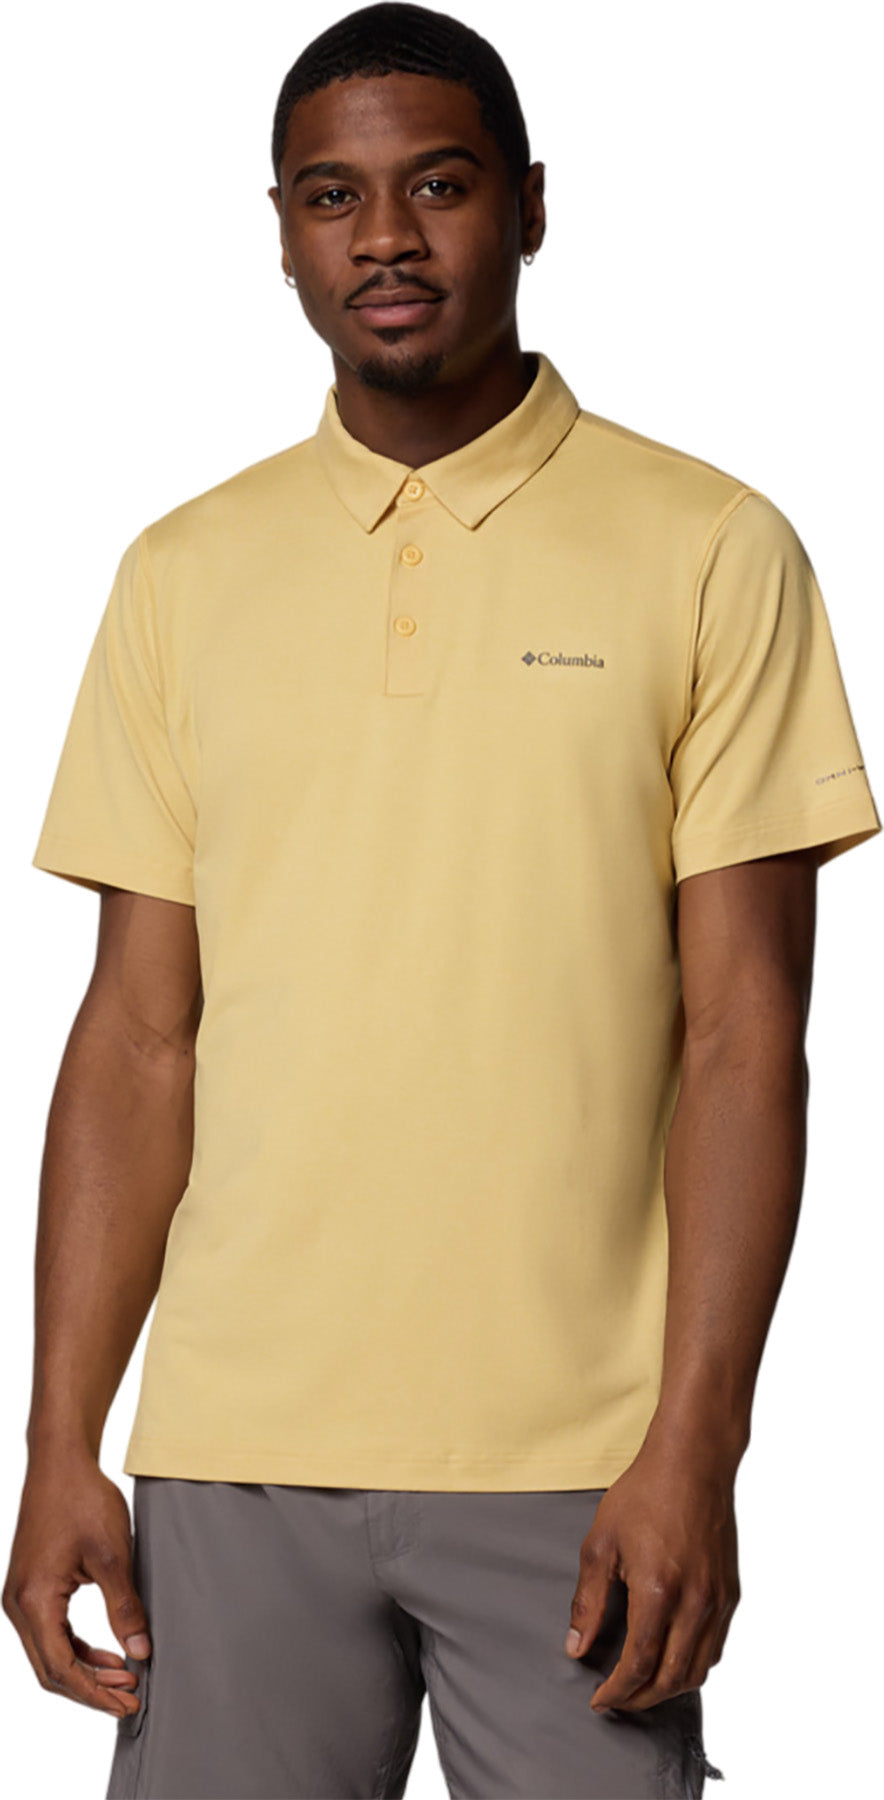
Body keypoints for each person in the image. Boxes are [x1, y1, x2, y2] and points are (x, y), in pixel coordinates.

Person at [4, 4, 881, 1796]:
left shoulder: (711, 547)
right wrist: (59, 1439)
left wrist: (697, 1448)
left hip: (583, 1471)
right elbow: (139, 1038)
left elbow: (745, 1041)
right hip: (234, 1457)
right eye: (334, 196)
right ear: (280, 231)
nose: (386, 237)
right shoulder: (183, 573)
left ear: (531, 207)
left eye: (441, 186)